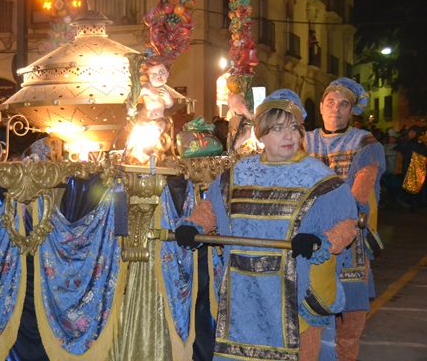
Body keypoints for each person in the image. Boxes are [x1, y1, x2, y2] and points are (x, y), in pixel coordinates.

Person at [176, 89, 358, 360]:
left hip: (295, 296)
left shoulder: (319, 177)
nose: (288, 136)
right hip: (243, 294)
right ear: (261, 135)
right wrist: (193, 225)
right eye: (277, 129)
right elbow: (212, 208)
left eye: (294, 128)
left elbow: (348, 225)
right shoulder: (237, 173)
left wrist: (322, 242)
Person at [304, 77, 386, 361]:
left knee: (349, 317)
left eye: (343, 105)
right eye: (330, 102)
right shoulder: (304, 140)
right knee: (307, 312)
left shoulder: (365, 143)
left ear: (352, 111)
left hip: (349, 239)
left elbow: (359, 194)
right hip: (307, 234)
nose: (335, 109)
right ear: (322, 106)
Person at [395, 124, 427, 213]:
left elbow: (423, 155)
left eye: (413, 132)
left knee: (415, 187)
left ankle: (415, 205)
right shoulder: (406, 142)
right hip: (406, 167)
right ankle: (409, 203)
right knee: (406, 186)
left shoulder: (419, 143)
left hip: (416, 169)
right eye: (410, 132)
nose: (411, 134)